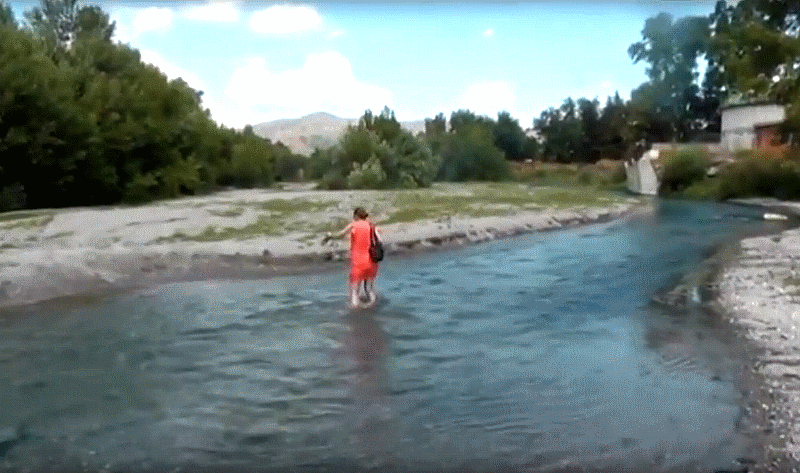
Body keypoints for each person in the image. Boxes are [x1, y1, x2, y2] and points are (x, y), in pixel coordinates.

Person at [323, 207, 382, 308]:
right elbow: (379, 241)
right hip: (372, 261)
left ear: (356, 216)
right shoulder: (371, 226)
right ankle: (373, 306)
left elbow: (340, 235)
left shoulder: (353, 225)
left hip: (358, 262)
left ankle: (355, 310)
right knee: (369, 289)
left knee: (355, 290)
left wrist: (329, 236)